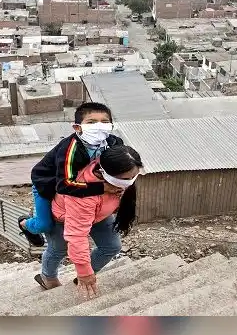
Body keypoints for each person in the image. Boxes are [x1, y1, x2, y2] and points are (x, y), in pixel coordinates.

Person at [35, 144, 143, 298]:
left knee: (111, 246)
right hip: (64, 218)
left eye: (134, 176)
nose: (129, 182)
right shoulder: (83, 193)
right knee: (58, 249)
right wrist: (84, 272)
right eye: (125, 179)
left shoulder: (116, 177)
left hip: (97, 215)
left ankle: (80, 278)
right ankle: (48, 277)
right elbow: (77, 235)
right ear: (104, 173)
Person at [18, 102, 123, 247]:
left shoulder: (114, 143)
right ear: (77, 127)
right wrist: (102, 188)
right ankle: (26, 224)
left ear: (111, 125)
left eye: (104, 122)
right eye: (92, 122)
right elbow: (64, 185)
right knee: (44, 225)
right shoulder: (70, 149)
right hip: (48, 183)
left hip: (79, 181)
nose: (99, 126)